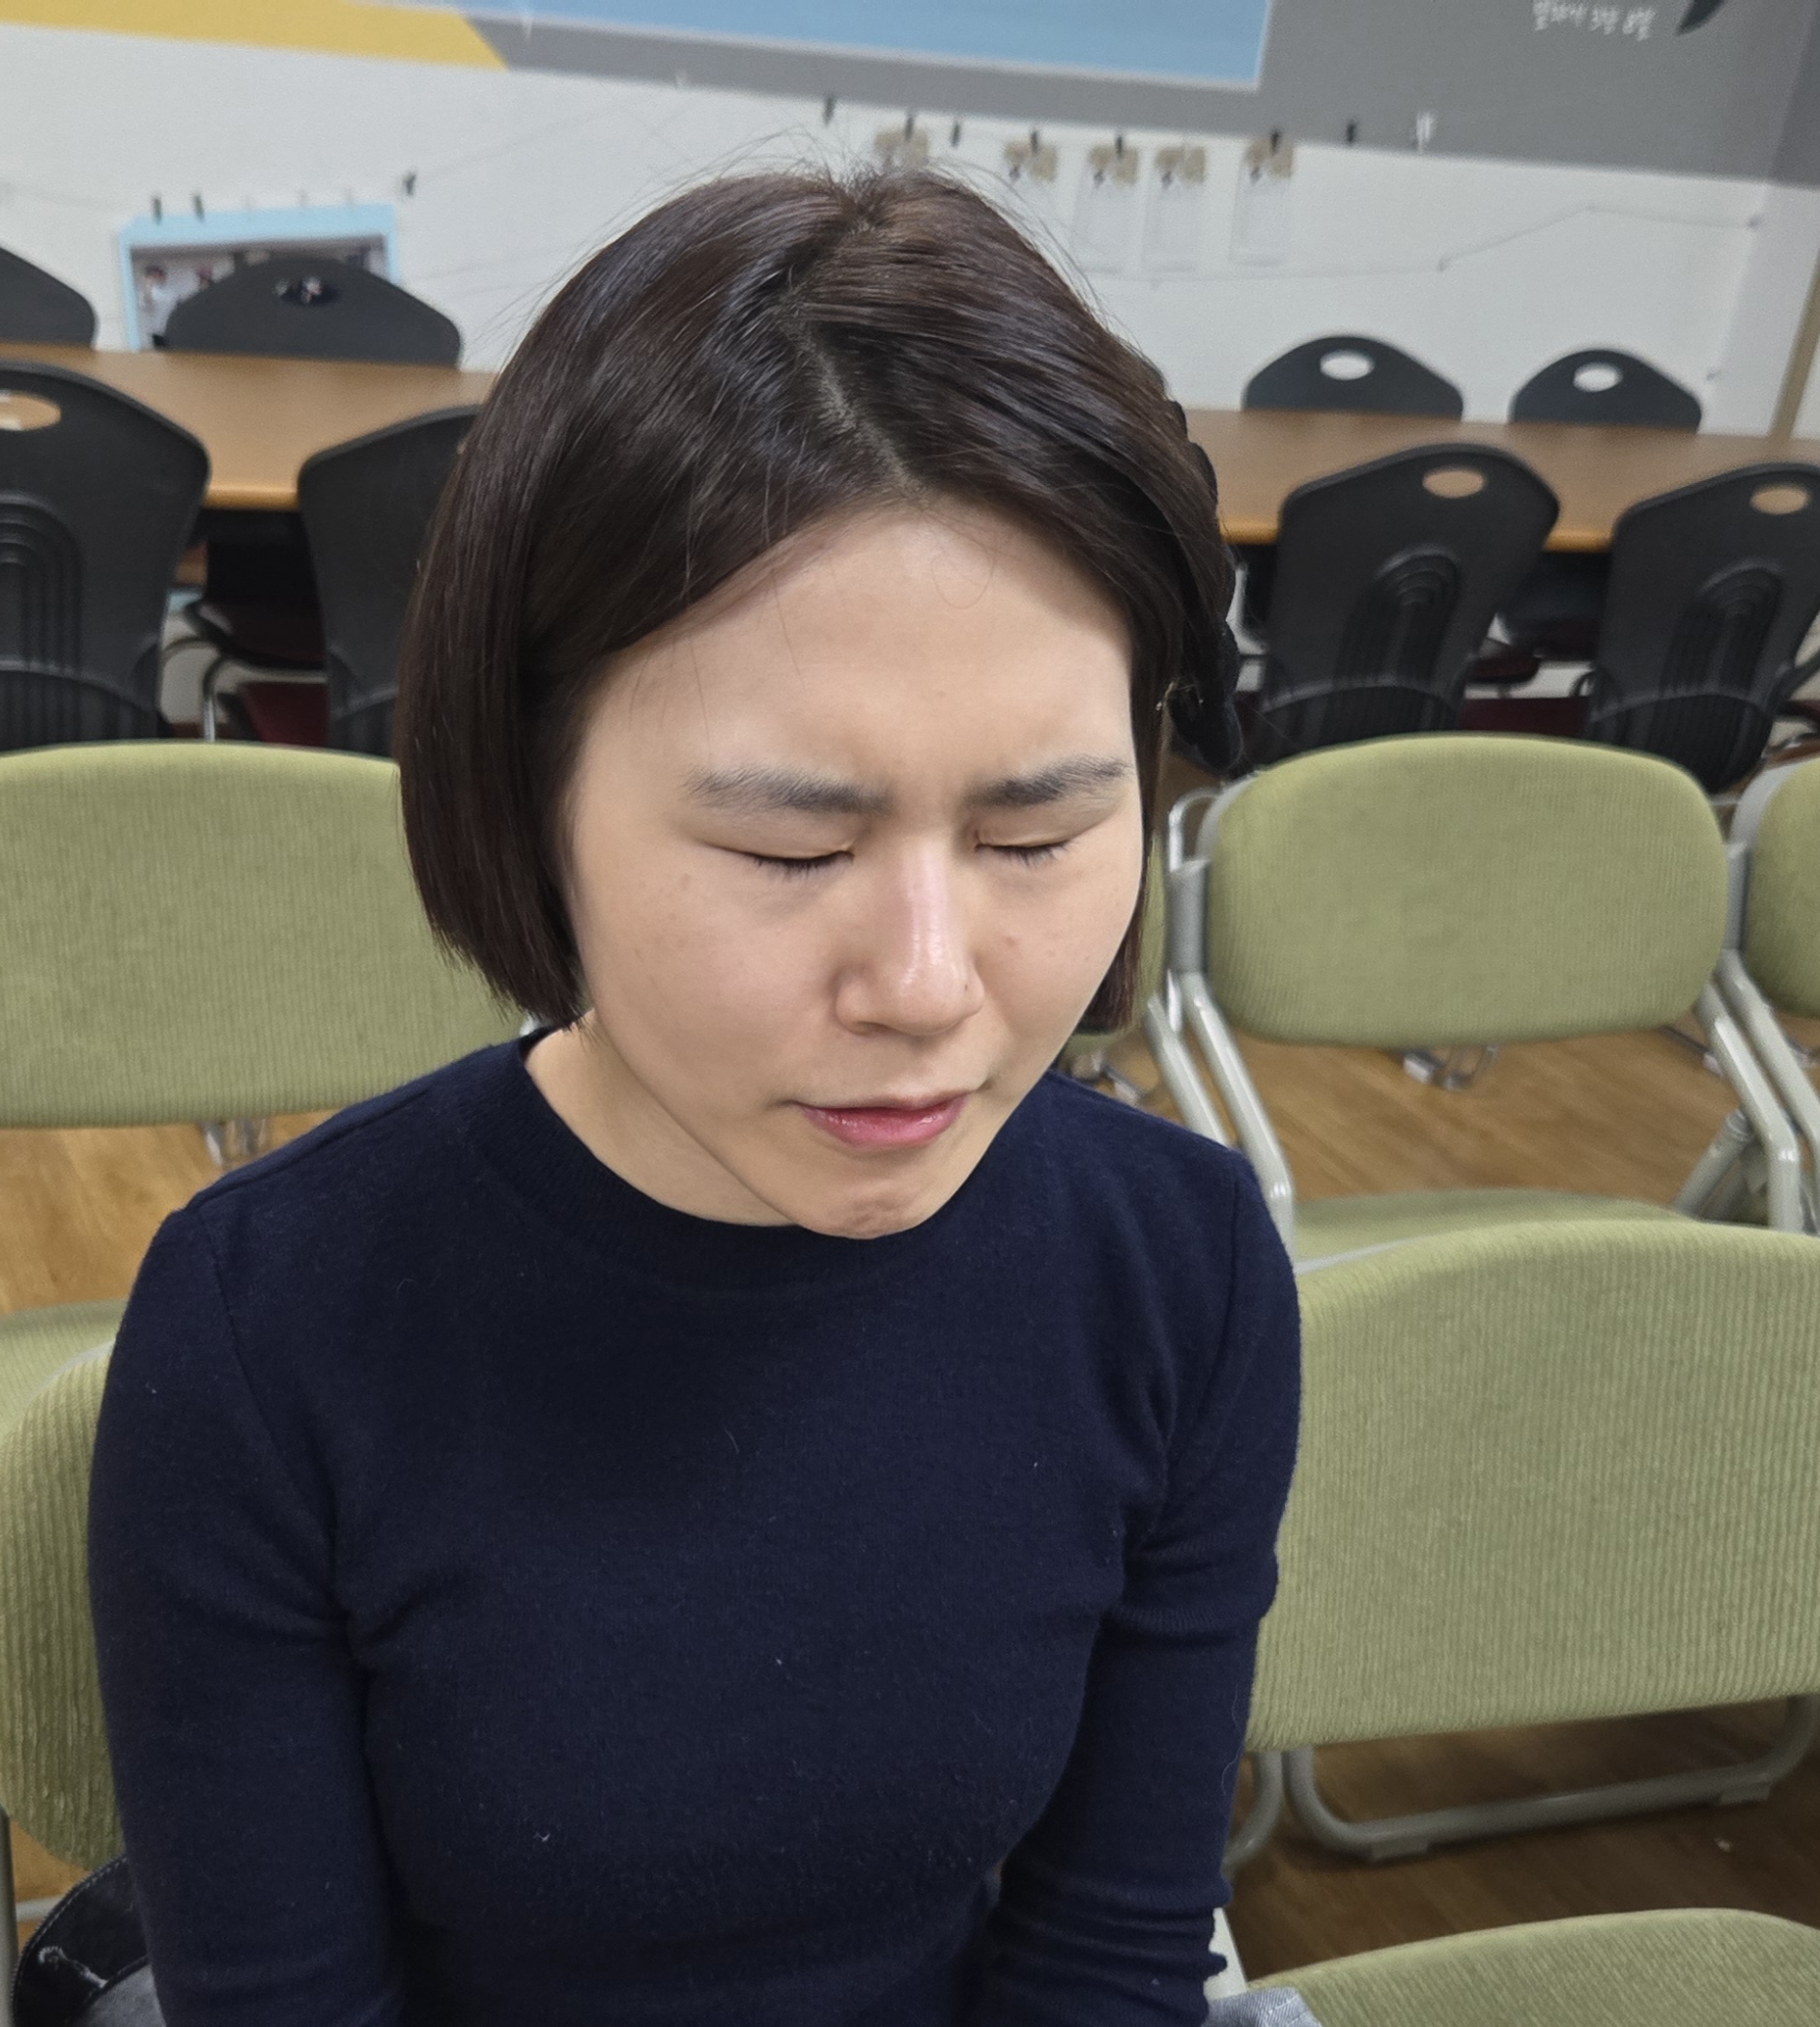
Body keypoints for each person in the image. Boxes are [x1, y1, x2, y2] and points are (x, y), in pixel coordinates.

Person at [89, 164, 1301, 2027]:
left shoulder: (1180, 1266)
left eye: (1035, 834)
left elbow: (1111, 1947)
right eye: (788, 851)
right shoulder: (276, 1332)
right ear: (528, 788)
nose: (926, 986)